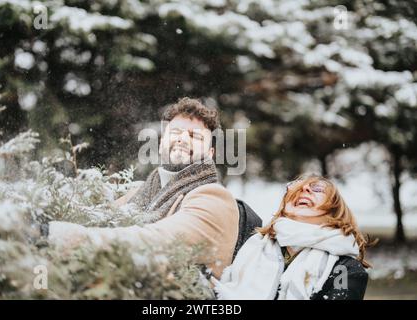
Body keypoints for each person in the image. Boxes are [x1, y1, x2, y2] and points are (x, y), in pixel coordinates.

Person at [48, 97, 239, 279]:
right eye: (175, 132)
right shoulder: (143, 191)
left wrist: (63, 236)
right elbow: (97, 217)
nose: (182, 139)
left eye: (195, 136)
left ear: (210, 153)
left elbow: (157, 241)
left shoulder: (214, 198)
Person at [213, 174, 374, 300]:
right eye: (296, 188)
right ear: (284, 206)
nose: (304, 190)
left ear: (335, 210)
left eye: (317, 188)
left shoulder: (346, 269)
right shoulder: (251, 244)